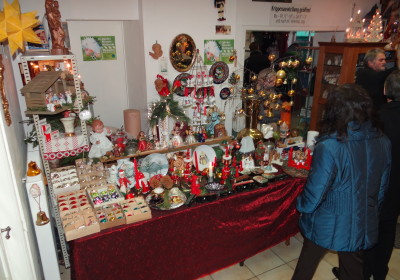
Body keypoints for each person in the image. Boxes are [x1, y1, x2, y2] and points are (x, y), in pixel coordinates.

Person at [291, 84, 391, 280]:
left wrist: (301, 205)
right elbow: (382, 187)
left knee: (305, 267)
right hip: (362, 218)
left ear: (335, 110)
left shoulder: (330, 145)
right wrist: (370, 210)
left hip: (328, 220)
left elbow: (316, 191)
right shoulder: (383, 140)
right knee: (353, 271)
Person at [363, 70, 400, 280]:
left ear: (386, 90)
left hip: (377, 184)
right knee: (388, 230)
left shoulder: (378, 117)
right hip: (397, 187)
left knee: (370, 228)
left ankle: (365, 271)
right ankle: (380, 272)